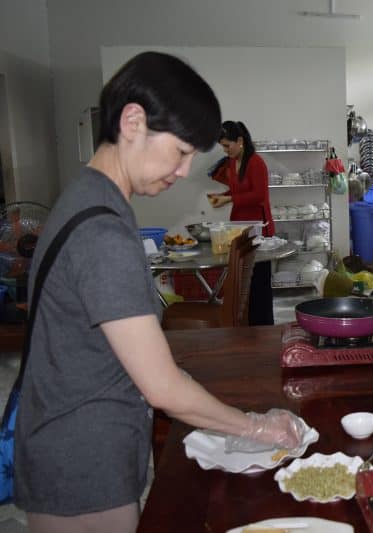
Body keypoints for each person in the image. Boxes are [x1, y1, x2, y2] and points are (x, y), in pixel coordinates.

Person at [14, 51, 305, 533]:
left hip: (69, 445)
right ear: (133, 121)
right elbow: (163, 388)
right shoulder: (102, 232)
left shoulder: (88, 197)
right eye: (182, 150)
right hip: (81, 468)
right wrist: (257, 425)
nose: (185, 169)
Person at [208, 121, 275, 325]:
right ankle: (246, 326)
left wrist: (229, 199)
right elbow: (238, 191)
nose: (225, 150)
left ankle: (262, 327)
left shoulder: (256, 163)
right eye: (223, 147)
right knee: (242, 282)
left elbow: (259, 195)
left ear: (240, 141)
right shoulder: (231, 163)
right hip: (239, 227)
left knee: (259, 284)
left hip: (258, 228)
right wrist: (223, 196)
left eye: (227, 145)